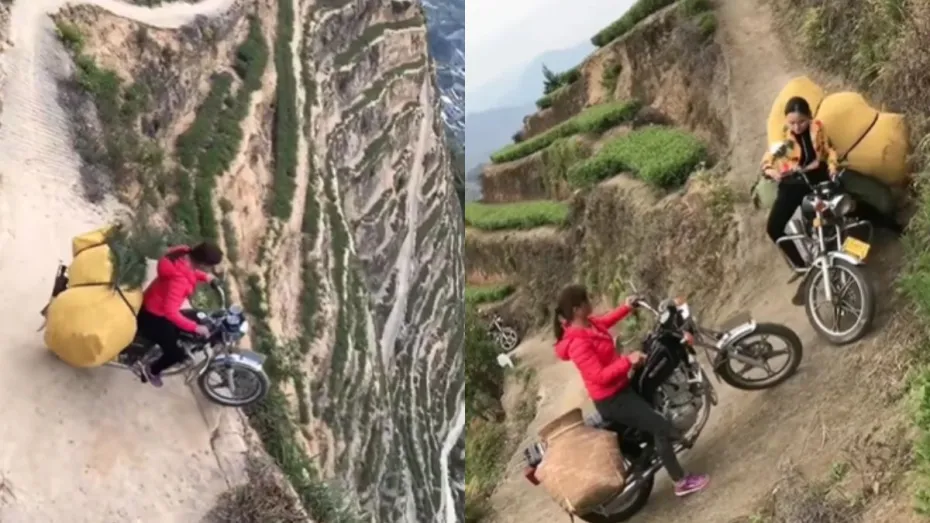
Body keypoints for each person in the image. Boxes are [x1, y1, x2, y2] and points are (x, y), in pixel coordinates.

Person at [553, 284, 710, 498]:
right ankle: (681, 481)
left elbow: (606, 320)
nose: (591, 302)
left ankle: (672, 437)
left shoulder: (589, 324)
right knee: (659, 426)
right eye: (586, 300)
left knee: (654, 393)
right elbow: (598, 376)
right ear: (576, 309)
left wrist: (627, 307)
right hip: (612, 399)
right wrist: (627, 361)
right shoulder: (578, 343)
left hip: (621, 385)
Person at [760, 96, 903, 275]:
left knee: (847, 206)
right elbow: (769, 157)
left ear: (809, 117)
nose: (797, 127)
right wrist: (770, 171)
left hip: (818, 176)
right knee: (773, 227)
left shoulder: (817, 128)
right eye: (792, 123)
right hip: (794, 182)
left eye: (801, 122)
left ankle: (891, 226)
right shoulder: (784, 137)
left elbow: (829, 151)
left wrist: (832, 168)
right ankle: (801, 266)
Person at [136, 242, 224, 387]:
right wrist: (195, 327)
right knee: (177, 353)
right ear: (203, 263)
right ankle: (151, 370)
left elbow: (187, 271)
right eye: (210, 266)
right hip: (153, 316)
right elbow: (171, 313)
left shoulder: (182, 253)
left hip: (152, 300)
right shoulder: (179, 282)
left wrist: (206, 277)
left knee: (183, 325)